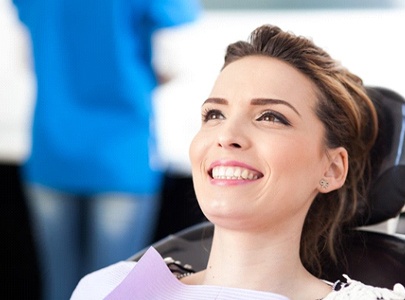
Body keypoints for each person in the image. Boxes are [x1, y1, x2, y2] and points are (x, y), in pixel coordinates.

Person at [71, 24, 405, 299]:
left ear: (331, 169)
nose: (226, 134)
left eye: (270, 117)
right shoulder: (105, 288)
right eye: (214, 114)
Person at [12, 0, 201, 299]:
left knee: (61, 286)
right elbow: (172, 64)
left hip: (53, 148)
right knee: (114, 290)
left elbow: (28, 60)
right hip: (122, 155)